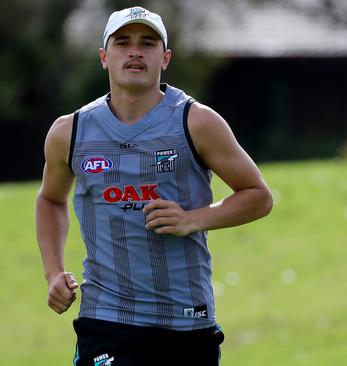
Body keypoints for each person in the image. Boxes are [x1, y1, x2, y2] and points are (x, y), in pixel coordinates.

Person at [35, 6, 273, 366]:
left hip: (187, 322)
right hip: (106, 319)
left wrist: (193, 219)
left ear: (164, 58)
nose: (135, 51)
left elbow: (259, 197)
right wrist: (53, 271)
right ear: (104, 56)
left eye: (147, 43)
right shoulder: (70, 132)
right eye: (123, 42)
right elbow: (51, 200)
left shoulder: (197, 122)